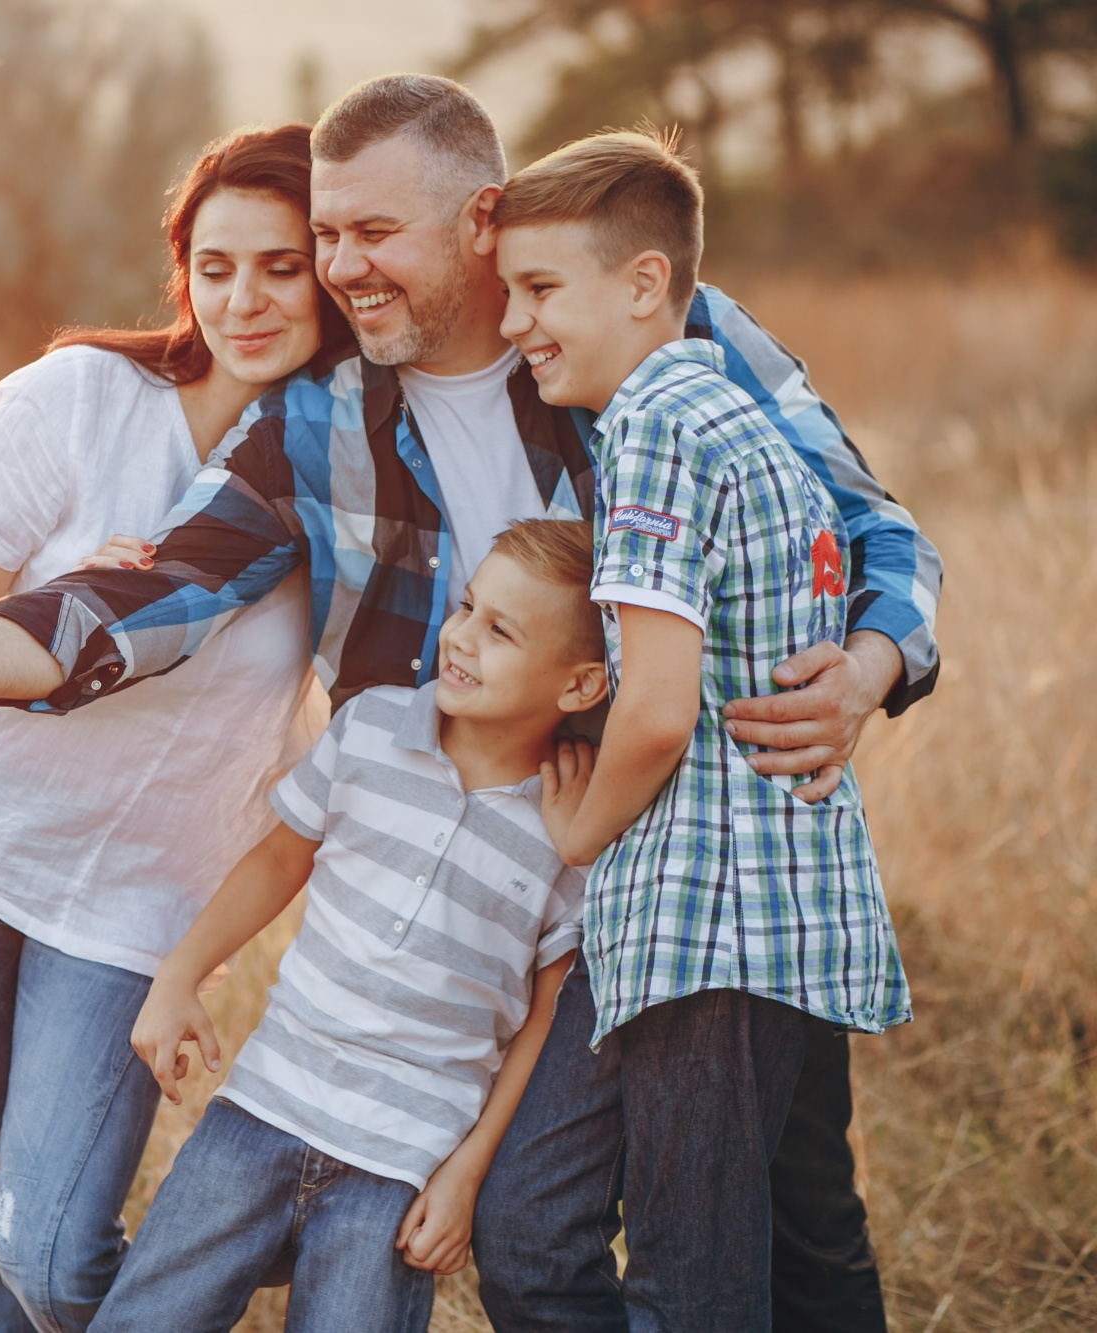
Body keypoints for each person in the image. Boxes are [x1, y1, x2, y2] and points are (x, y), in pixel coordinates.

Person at [0, 75, 935, 1330]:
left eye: (369, 235)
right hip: (491, 881)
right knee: (532, 1238)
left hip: (691, 849)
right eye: (328, 237)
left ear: (478, 219)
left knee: (793, 1214)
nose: (339, 268)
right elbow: (157, 592)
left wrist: (871, 663)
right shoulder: (318, 414)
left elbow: (868, 518)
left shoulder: (651, 331)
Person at [0, 124, 355, 1333]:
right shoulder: (74, 397)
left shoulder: (340, 467)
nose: (245, 298)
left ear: (330, 274)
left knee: (57, 1248)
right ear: (181, 268)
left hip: (136, 894)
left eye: (282, 267)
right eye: (216, 264)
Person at [474, 130, 909, 1331]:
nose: (514, 321)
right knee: (540, 1233)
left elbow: (658, 711)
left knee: (690, 1287)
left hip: (714, 910)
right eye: (508, 291)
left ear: (645, 282)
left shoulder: (656, 432)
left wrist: (574, 827)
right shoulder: (722, 414)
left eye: (540, 289)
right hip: (709, 910)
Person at [89, 521, 606, 1333]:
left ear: (578, 687)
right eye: (468, 606)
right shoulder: (369, 729)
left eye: (500, 630)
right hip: (264, 1106)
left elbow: (544, 1015)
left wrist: (466, 1171)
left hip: (401, 1165)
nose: (461, 637)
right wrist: (179, 973)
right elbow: (276, 862)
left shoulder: (570, 830)